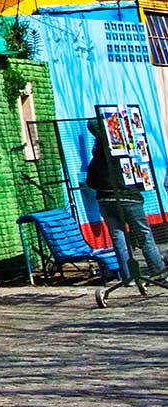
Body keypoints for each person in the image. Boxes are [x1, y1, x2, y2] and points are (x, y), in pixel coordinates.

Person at [87, 116, 165, 284]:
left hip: (106, 201)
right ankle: (158, 272)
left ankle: (128, 277)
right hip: (129, 199)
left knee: (118, 239)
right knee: (144, 235)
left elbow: (91, 181)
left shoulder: (97, 157)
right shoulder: (124, 153)